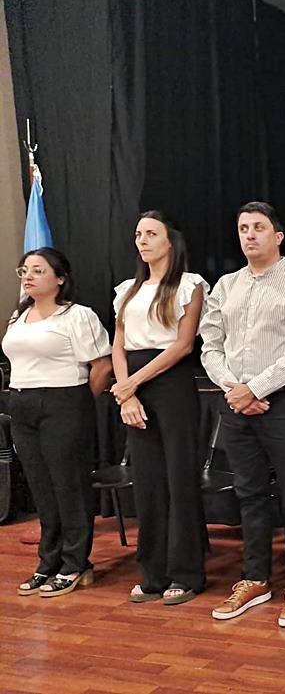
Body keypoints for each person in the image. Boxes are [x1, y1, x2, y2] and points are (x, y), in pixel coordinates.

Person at [200, 201, 285, 628]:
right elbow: (210, 347)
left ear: (278, 236)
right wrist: (235, 390)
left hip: (284, 403)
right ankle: (255, 579)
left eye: (258, 227)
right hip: (236, 402)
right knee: (249, 494)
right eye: (243, 228)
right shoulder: (226, 286)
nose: (250, 234)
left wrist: (254, 389)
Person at [112, 210, 208, 605]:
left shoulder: (190, 285)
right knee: (147, 480)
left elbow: (183, 345)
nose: (142, 240)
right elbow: (118, 345)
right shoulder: (126, 290)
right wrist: (126, 393)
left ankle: (186, 573)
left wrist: (132, 383)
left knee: (179, 478)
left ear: (171, 241)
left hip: (171, 383)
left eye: (151, 233)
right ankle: (152, 573)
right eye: (138, 234)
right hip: (133, 386)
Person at [3, 248, 111, 597]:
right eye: (24, 270)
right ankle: (48, 561)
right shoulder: (19, 316)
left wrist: (77, 405)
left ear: (60, 278)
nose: (28, 276)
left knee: (68, 485)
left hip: (64, 402)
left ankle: (75, 563)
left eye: (38, 270)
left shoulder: (77, 316)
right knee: (41, 486)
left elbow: (102, 365)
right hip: (22, 403)